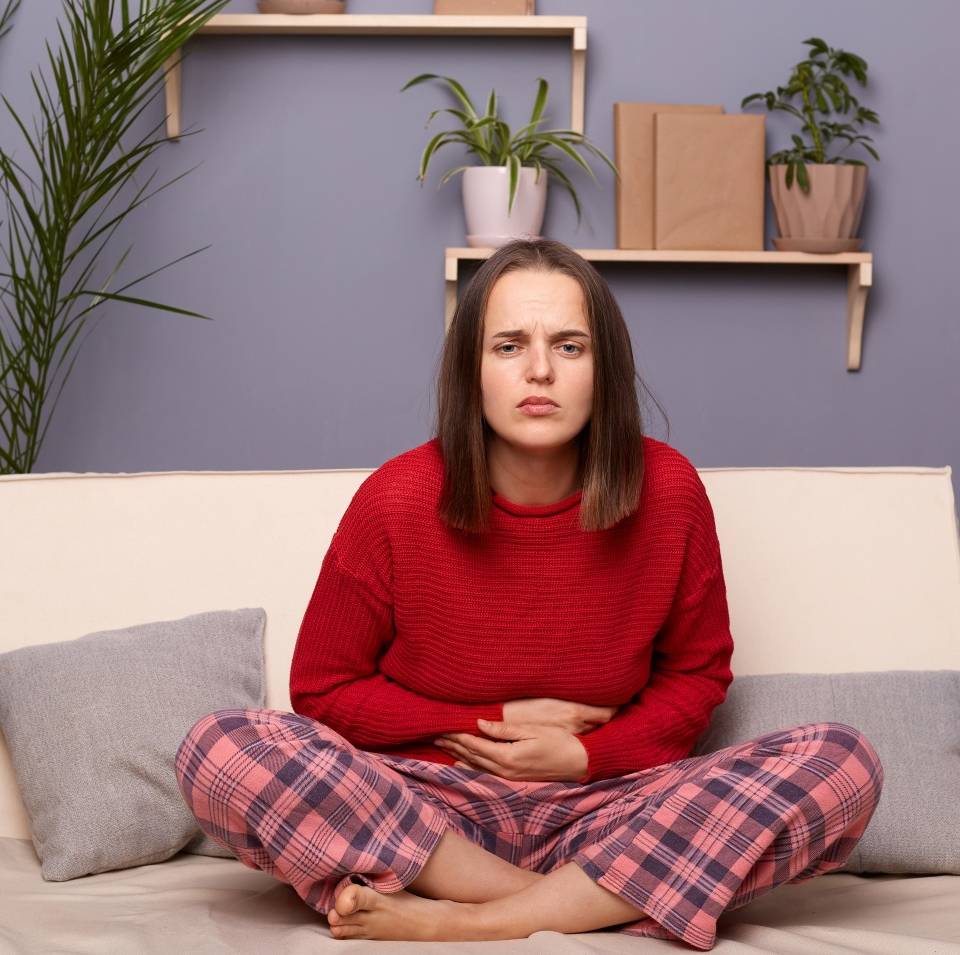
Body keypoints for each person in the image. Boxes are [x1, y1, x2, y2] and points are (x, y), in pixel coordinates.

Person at [175, 237, 882, 950]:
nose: (539, 370)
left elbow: (696, 675)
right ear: (471, 371)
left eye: (570, 347)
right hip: (427, 809)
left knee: (844, 763)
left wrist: (584, 757)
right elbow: (322, 689)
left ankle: (476, 919)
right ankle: (583, 903)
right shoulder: (395, 499)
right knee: (219, 747)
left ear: (605, 370)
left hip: (606, 810)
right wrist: (491, 719)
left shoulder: (669, 491)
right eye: (509, 346)